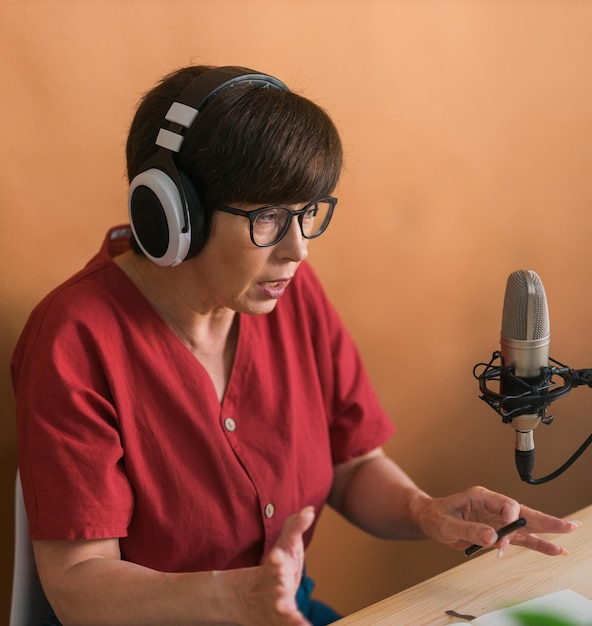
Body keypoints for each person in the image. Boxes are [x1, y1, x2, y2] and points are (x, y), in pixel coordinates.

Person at [12, 64, 579, 626]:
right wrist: (236, 599)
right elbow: (78, 584)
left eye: (308, 213)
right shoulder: (74, 339)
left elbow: (352, 466)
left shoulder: (288, 294)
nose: (298, 250)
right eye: (267, 218)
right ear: (173, 215)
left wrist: (423, 511)